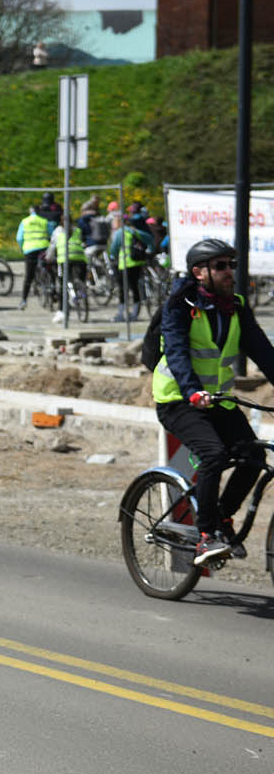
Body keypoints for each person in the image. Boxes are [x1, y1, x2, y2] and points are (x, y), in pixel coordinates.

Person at [153, 238, 274, 564]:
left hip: (217, 401)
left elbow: (264, 353)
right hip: (178, 399)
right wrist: (192, 390)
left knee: (253, 455)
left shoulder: (235, 307)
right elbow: (177, 353)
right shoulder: (180, 305)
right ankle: (206, 534)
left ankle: (221, 518)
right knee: (214, 454)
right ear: (199, 272)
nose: (228, 272)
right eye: (220, 266)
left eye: (231, 265)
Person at [109, 214, 153, 321]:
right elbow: (150, 239)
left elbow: (114, 247)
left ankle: (121, 314)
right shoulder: (135, 231)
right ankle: (135, 313)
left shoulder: (121, 232)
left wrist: (112, 255)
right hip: (137, 263)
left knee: (123, 289)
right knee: (135, 288)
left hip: (125, 263)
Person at [16, 204, 52, 309]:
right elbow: (51, 233)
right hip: (43, 248)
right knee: (49, 268)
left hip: (30, 249)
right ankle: (53, 291)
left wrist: (23, 248)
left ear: (30, 211)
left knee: (29, 276)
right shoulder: (44, 221)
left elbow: (19, 238)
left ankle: (23, 300)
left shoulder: (25, 221)